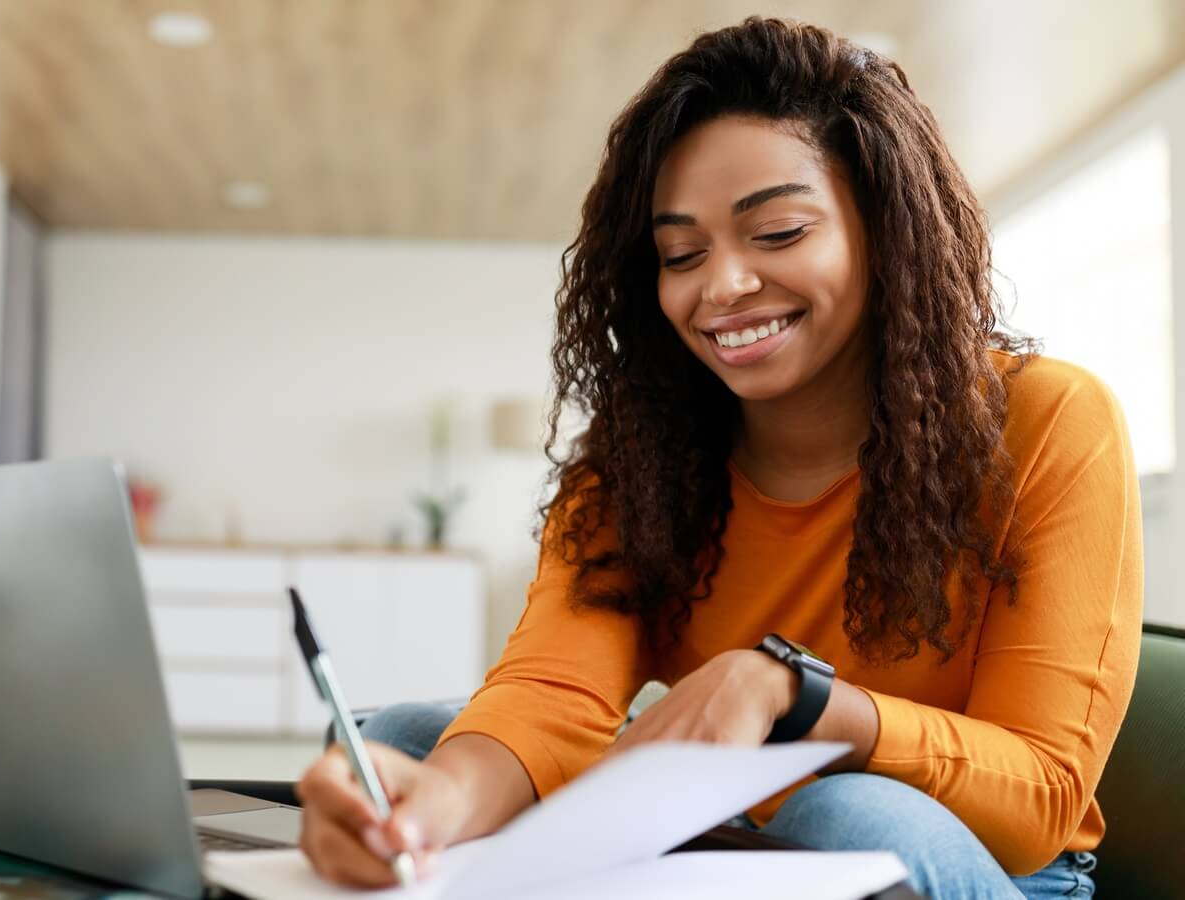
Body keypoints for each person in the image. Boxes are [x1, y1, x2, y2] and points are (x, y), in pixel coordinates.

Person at [295, 16, 1141, 900]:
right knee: (404, 738)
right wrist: (436, 804)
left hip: (981, 861)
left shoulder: (1049, 420)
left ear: (886, 232)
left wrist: (795, 696)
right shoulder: (640, 457)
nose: (722, 287)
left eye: (777, 233)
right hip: (735, 842)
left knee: (848, 814)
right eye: (681, 253)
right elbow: (554, 688)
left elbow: (1042, 795)